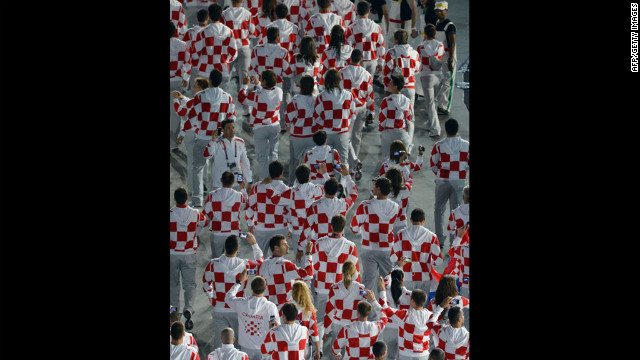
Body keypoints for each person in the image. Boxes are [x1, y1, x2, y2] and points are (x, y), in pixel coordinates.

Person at [202, 233, 265, 350]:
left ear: (225, 247)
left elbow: (206, 284)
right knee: (237, 345)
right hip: (238, 309)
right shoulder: (246, 265)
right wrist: (254, 244)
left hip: (219, 309)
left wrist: (210, 295)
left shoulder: (213, 264)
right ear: (237, 248)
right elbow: (261, 265)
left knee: (221, 344)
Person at [187, 69, 237, 207]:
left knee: (197, 168)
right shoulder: (227, 97)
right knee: (219, 167)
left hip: (203, 137)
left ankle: (197, 200)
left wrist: (185, 132)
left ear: (209, 80)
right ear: (220, 81)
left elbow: (192, 117)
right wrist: (219, 131)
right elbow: (232, 119)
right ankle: (217, 198)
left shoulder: (200, 96)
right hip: (219, 138)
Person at [312, 215, 361, 352]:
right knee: (340, 318)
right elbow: (355, 273)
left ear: (331, 226)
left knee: (321, 319)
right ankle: (340, 349)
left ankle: (319, 350)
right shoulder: (351, 246)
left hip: (322, 287)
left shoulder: (318, 243)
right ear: (343, 227)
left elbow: (313, 267)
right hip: (341, 289)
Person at [350, 176, 401, 297]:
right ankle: (388, 311)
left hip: (369, 249)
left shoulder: (365, 205)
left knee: (368, 283)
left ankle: (368, 313)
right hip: (387, 249)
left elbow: (354, 227)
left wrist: (363, 232)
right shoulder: (395, 207)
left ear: (378, 189)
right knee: (388, 283)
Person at [170, 188, 209, 329]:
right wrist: (195, 233)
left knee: (173, 285)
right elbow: (206, 222)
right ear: (187, 198)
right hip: (189, 254)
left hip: (173, 254)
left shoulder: (170, 214)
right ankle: (188, 309)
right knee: (190, 285)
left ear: (175, 199)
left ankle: (174, 311)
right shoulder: (195, 213)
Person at [297, 175, 358, 263]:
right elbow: (354, 195)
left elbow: (306, 229)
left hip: (318, 247)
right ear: (337, 191)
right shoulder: (344, 204)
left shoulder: (315, 206)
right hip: (339, 246)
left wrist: (300, 249)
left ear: (324, 189)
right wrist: (347, 176)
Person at [429, 118, 469, 251]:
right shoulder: (466, 145)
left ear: (445, 130)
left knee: (439, 209)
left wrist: (440, 174)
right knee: (456, 210)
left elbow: (433, 164)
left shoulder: (439, 145)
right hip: (459, 180)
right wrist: (461, 172)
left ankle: (439, 240)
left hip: (443, 180)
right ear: (457, 130)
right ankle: (454, 241)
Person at [272, 164, 327, 257]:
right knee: (315, 264)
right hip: (315, 232)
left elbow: (274, 200)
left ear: (296, 177)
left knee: (301, 266)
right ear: (309, 176)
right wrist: (324, 173)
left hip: (297, 233)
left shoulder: (290, 193)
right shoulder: (317, 190)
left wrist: (271, 184)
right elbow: (330, 188)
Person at [238, 70, 284, 179]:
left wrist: (244, 85)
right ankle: (275, 178)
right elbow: (266, 93)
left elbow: (241, 98)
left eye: (261, 78)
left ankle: (265, 180)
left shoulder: (256, 96)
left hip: (260, 128)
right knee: (273, 154)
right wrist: (259, 83)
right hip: (275, 126)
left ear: (264, 81)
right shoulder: (279, 91)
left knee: (262, 157)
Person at [382, 29, 421, 153]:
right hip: (410, 87)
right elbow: (417, 69)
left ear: (396, 40)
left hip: (395, 88)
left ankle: (393, 143)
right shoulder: (414, 53)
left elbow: (387, 73)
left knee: (393, 114)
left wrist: (387, 89)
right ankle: (408, 145)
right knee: (410, 118)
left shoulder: (391, 53)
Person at [226, 275, 281, 360]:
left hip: (245, 347)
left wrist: (239, 282)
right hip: (264, 347)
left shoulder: (241, 303)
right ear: (265, 289)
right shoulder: (270, 307)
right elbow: (275, 326)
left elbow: (228, 297)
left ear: (251, 288)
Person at [173, 77, 210, 201]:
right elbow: (191, 102)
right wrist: (182, 98)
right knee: (204, 159)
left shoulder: (194, 102)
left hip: (192, 134)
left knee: (192, 161)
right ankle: (203, 183)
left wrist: (175, 100)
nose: (193, 87)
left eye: (195, 85)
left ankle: (192, 188)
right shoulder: (210, 100)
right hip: (205, 134)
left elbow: (180, 112)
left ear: (200, 88)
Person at [390, 208, 442, 294]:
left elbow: (393, 258)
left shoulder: (400, 234)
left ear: (410, 220)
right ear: (424, 220)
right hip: (424, 278)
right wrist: (425, 260)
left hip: (405, 277)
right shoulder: (432, 237)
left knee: (405, 305)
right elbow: (439, 261)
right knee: (422, 306)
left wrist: (409, 259)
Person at [338, 49, 373, 177]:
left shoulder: (342, 73)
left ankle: (346, 163)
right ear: (361, 58)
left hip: (348, 108)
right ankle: (354, 167)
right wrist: (371, 111)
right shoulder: (367, 75)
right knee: (357, 137)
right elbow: (370, 95)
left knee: (346, 137)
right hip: (362, 108)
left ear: (350, 58)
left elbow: (340, 91)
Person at [313, 69, 358, 166]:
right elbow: (353, 115)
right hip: (343, 133)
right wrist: (344, 124)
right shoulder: (349, 95)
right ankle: (342, 181)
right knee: (343, 162)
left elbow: (316, 117)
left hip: (327, 134)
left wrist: (326, 125)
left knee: (327, 162)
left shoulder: (321, 97)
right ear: (339, 80)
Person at [321, 260, 367, 356]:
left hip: (338, 325)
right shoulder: (361, 288)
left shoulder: (334, 288)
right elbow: (364, 308)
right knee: (352, 354)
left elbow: (329, 311)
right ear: (354, 272)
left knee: (336, 353)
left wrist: (326, 331)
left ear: (342, 271)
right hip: (354, 326)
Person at [245, 161, 291, 255]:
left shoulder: (257, 187)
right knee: (279, 260)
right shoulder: (287, 190)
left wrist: (250, 224)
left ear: (269, 172)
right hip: (280, 228)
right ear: (282, 173)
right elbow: (289, 212)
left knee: (260, 258)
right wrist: (290, 228)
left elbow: (250, 207)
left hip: (261, 228)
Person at [258, 234, 314, 308]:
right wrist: (308, 253)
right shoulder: (286, 265)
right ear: (276, 248)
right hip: (284, 311)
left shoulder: (263, 264)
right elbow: (309, 274)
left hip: (267, 309)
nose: (288, 246)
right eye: (284, 244)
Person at [202, 170, 250, 258]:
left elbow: (204, 215)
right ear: (233, 181)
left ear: (221, 180)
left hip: (217, 234)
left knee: (217, 262)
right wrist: (242, 187)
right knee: (233, 263)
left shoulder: (212, 195)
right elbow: (246, 205)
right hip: (233, 234)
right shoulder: (239, 196)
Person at [192, 3, 238, 93]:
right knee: (221, 102)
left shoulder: (202, 33)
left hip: (205, 72)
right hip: (223, 71)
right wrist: (224, 60)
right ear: (221, 15)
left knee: (203, 102)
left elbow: (195, 55)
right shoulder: (229, 32)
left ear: (209, 15)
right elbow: (234, 54)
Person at [378, 288, 434, 360]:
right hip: (424, 355)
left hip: (406, 355)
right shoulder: (431, 316)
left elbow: (384, 308)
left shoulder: (404, 315)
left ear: (412, 301)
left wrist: (382, 290)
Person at [221, 0, 255, 114]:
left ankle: (224, 107)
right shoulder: (248, 14)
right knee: (245, 78)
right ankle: (247, 108)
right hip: (244, 48)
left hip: (230, 48)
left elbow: (222, 32)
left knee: (226, 77)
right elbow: (253, 31)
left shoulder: (225, 14)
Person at [331, 292, 388, 360]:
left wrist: (337, 353)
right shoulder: (376, 327)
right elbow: (384, 317)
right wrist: (373, 300)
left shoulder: (346, 329)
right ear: (368, 313)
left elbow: (335, 349)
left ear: (357, 312)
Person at [285, 75, 319, 185]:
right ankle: (310, 187)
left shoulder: (294, 100)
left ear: (300, 86)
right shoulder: (317, 100)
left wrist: (290, 127)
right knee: (310, 163)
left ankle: (291, 187)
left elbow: (288, 119)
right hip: (312, 136)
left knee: (294, 163)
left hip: (297, 138)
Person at [203, 119, 253, 191]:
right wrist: (213, 141)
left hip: (237, 181)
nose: (232, 130)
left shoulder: (240, 142)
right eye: (228, 128)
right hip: (219, 182)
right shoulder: (215, 142)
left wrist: (249, 181)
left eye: (233, 127)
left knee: (238, 202)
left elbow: (245, 162)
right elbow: (207, 156)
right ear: (222, 130)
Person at [345, 1, 386, 84]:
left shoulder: (351, 28)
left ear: (357, 12)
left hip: (358, 61)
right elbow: (381, 46)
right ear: (368, 11)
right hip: (373, 61)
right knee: (369, 84)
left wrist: (348, 61)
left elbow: (347, 47)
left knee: (357, 85)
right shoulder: (377, 27)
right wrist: (381, 62)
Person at [416, 23, 445, 138]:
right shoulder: (441, 45)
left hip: (427, 77)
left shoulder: (421, 47)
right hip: (439, 76)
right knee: (434, 101)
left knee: (430, 103)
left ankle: (435, 130)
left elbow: (419, 59)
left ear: (425, 34)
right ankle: (430, 121)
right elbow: (439, 56)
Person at [424, 274, 469, 346]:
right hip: (456, 333)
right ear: (454, 286)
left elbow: (429, 318)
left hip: (440, 334)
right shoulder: (459, 300)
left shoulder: (433, 301)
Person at [377, 269, 411, 360]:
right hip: (402, 330)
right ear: (403, 279)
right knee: (400, 357)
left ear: (391, 279)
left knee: (389, 357)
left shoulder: (385, 291)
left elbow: (386, 278)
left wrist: (398, 266)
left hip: (388, 329)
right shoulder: (410, 295)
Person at [378, 74, 413, 158]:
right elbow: (409, 118)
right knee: (402, 158)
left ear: (395, 87)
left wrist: (381, 132)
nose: (388, 85)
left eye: (390, 83)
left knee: (387, 157)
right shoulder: (407, 101)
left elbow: (382, 119)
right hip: (402, 134)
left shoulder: (386, 101)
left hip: (389, 134)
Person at [170, 21, 191, 151]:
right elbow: (188, 62)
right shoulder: (182, 45)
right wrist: (186, 78)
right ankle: (173, 144)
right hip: (177, 81)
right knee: (175, 113)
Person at [433, 1, 457, 116]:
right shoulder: (438, 23)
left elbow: (452, 43)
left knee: (448, 81)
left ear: (446, 11)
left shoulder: (450, 25)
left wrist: (450, 60)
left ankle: (445, 106)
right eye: (437, 10)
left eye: (441, 10)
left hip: (447, 56)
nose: (439, 12)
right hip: (440, 55)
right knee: (441, 80)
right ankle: (440, 103)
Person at [290, 281, 322, 360]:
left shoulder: (287, 307)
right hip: (304, 345)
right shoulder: (309, 310)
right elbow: (314, 331)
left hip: (289, 345)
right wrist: (318, 350)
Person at [181, 9, 209, 98]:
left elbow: (184, 49)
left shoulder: (190, 32)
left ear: (197, 18)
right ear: (207, 18)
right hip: (207, 66)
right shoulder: (210, 31)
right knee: (207, 93)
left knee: (195, 93)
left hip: (194, 65)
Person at [318, 25, 353, 90]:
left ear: (331, 36)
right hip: (347, 82)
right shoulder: (350, 50)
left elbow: (324, 71)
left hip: (332, 84)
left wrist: (321, 86)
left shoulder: (327, 52)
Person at [442, 225, 469, 307]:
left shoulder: (463, 249)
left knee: (464, 305)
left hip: (465, 281)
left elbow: (452, 251)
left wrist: (459, 236)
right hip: (465, 281)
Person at [383, 167, 412, 233]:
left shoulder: (384, 192)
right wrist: (404, 167)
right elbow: (409, 179)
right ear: (400, 178)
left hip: (388, 225)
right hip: (402, 224)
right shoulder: (406, 189)